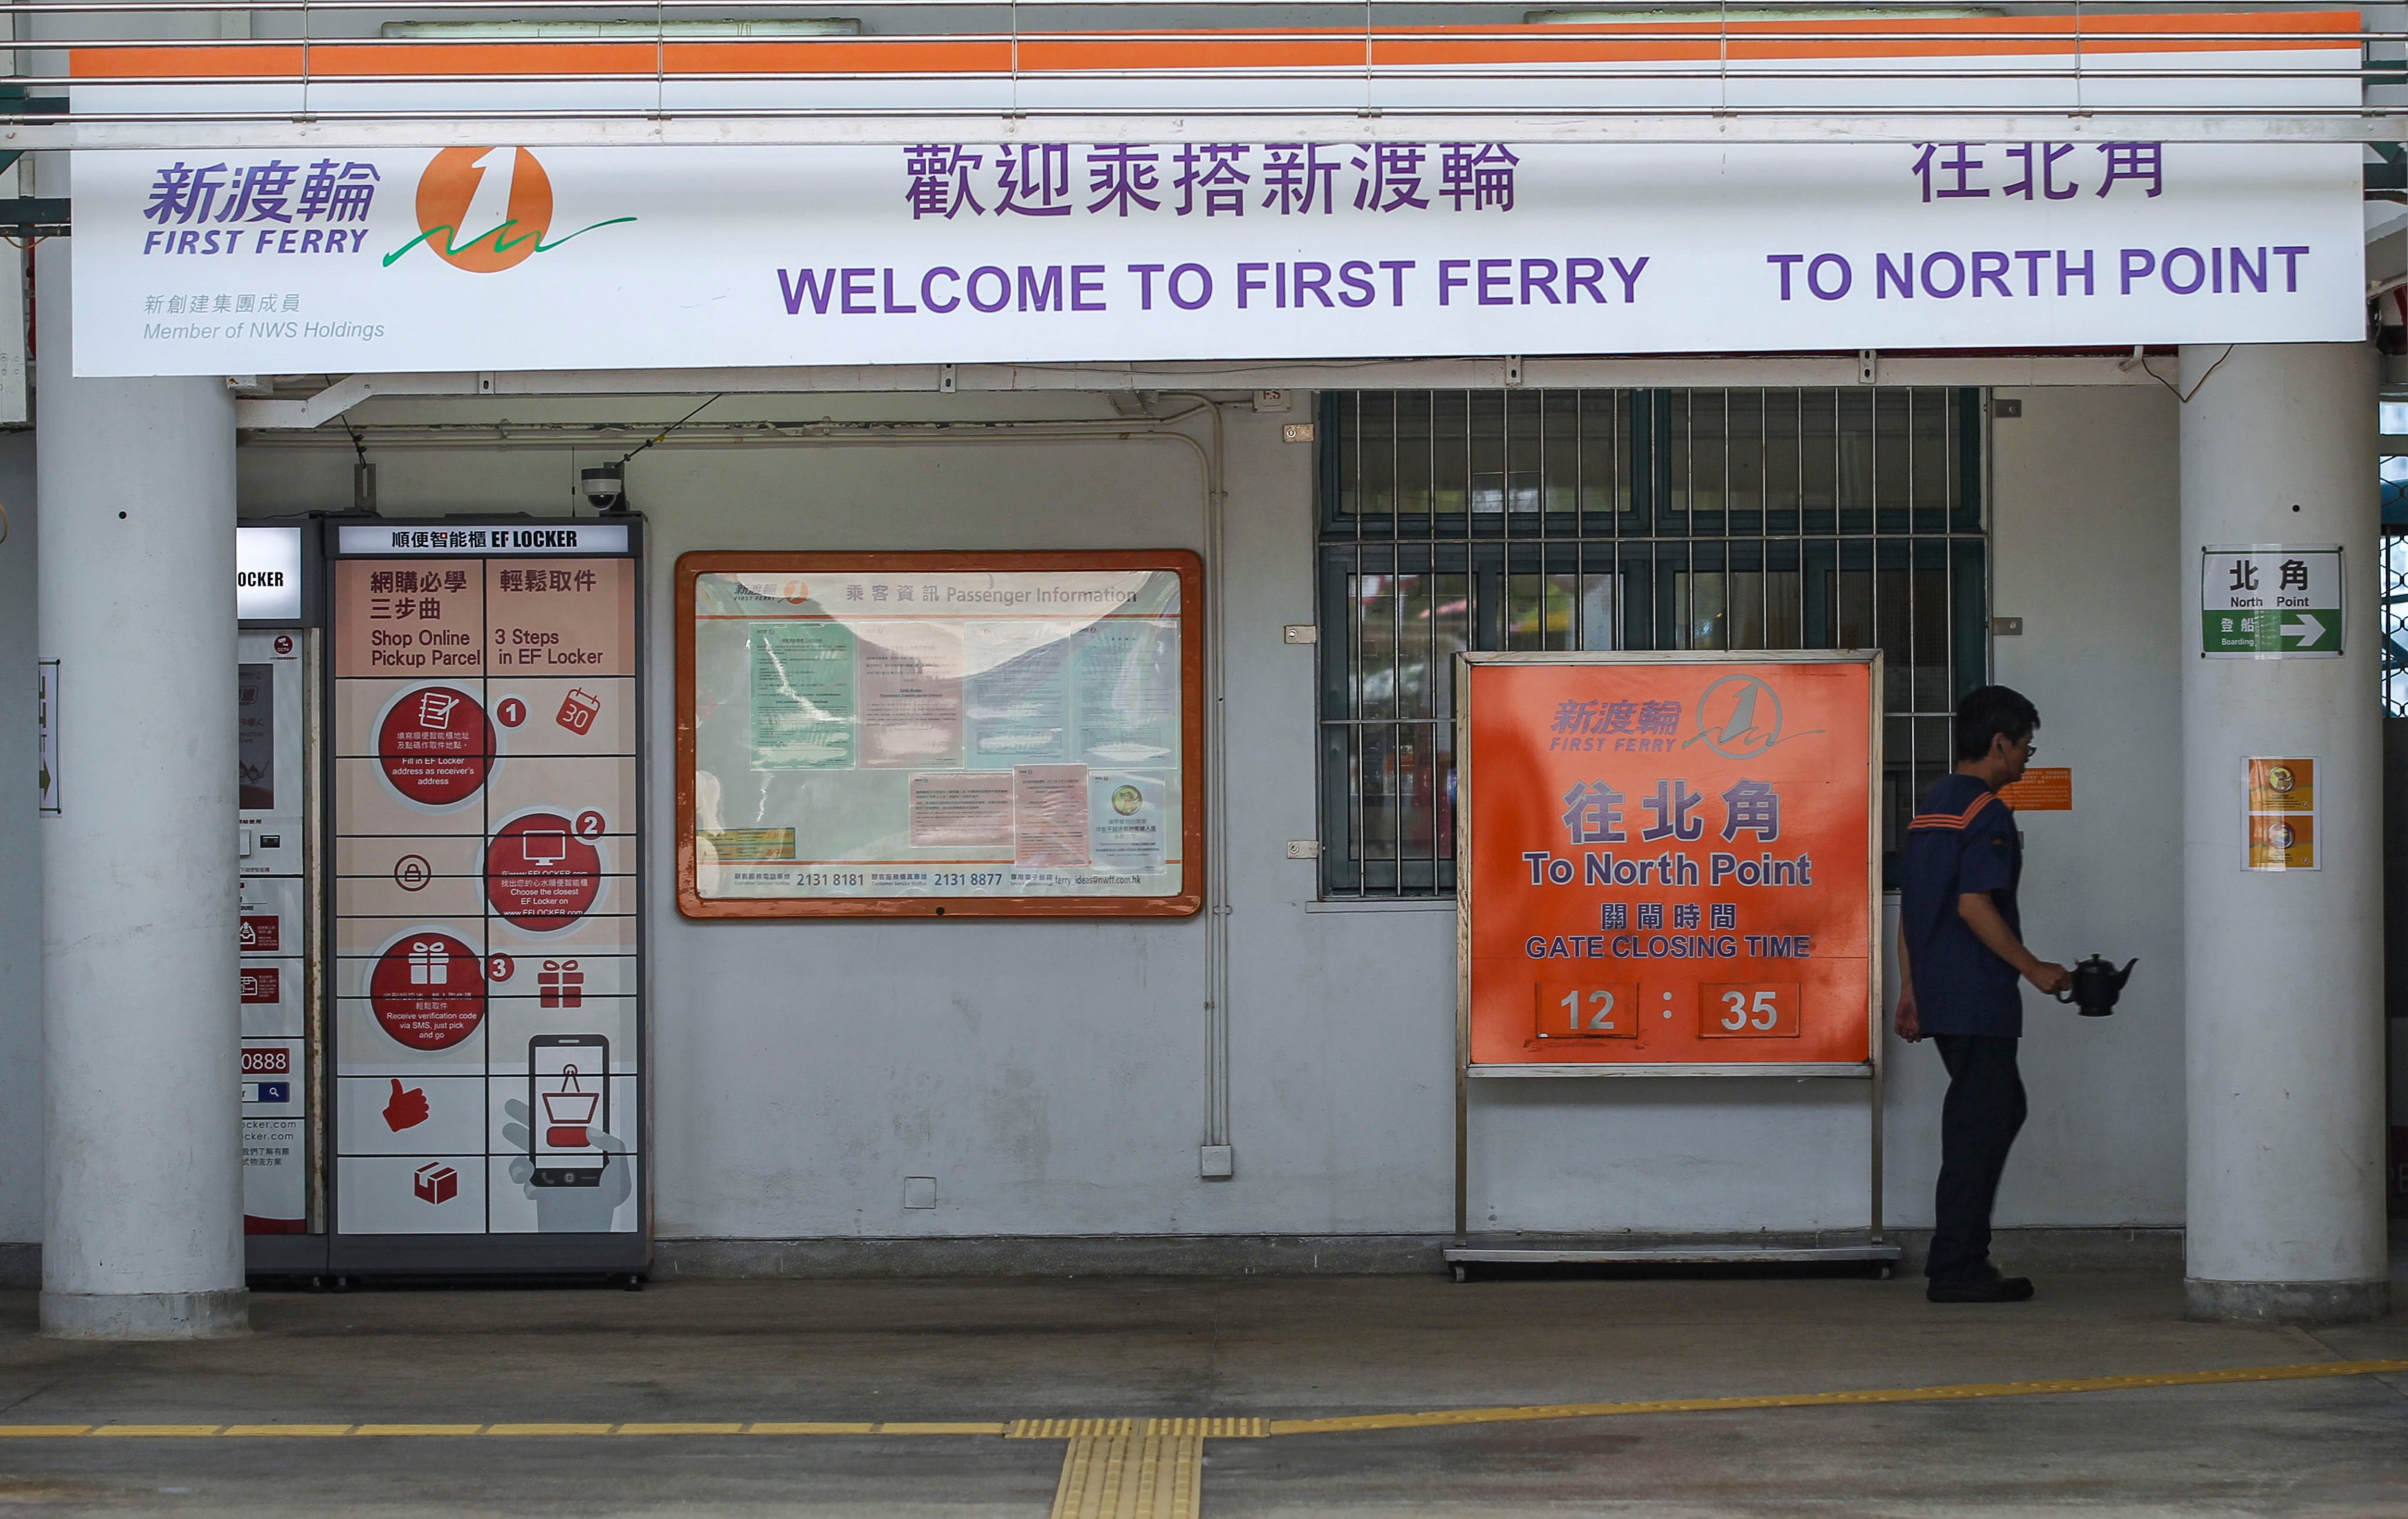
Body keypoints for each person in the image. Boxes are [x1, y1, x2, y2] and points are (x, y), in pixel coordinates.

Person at [1894, 685, 2070, 1304]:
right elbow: (1972, 905)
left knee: (1992, 1112)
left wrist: (1911, 989)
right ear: (2000, 743)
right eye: (2025, 746)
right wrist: (2034, 968)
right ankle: (1958, 1266)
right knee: (1981, 1123)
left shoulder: (1931, 807)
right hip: (1977, 995)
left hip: (1943, 993)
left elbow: (1915, 911)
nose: (2026, 759)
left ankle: (1960, 1257)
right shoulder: (1986, 813)